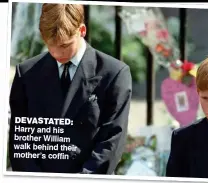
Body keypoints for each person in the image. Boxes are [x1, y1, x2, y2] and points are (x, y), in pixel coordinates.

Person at [9, 3, 132, 174]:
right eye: (51, 45)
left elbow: (112, 141)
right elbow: (20, 140)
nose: (58, 53)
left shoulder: (114, 74)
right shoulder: (27, 73)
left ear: (82, 31)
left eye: (65, 45)